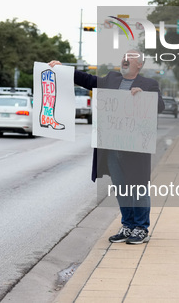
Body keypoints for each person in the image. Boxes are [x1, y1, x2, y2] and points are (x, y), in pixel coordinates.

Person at [49, 50, 164, 244]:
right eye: (124, 57)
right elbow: (87, 79)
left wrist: (143, 96)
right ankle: (128, 226)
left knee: (138, 188)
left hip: (135, 147)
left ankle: (141, 228)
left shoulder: (149, 84)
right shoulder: (111, 79)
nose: (125, 60)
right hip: (111, 146)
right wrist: (62, 69)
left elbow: (159, 106)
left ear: (140, 65)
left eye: (131, 58)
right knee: (121, 188)